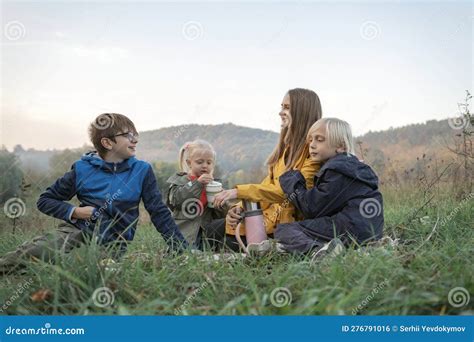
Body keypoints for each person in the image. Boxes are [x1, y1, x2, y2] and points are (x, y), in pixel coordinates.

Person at [0, 113, 188, 274]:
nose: (135, 139)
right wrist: (75, 212)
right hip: (77, 230)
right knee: (39, 251)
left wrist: (181, 249)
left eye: (136, 134)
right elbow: (45, 200)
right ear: (107, 142)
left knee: (91, 269)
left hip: (113, 243)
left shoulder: (142, 170)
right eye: (128, 135)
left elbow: (158, 212)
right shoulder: (82, 169)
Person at [209, 88, 323, 251]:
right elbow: (266, 187)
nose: (280, 112)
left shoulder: (313, 155)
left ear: (302, 112)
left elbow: (288, 193)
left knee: (224, 241)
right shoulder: (285, 150)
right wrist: (240, 207)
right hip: (266, 218)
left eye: (287, 107)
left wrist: (237, 192)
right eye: (281, 106)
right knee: (211, 229)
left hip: (284, 228)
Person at [275, 118, 384, 259]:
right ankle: (333, 246)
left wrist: (292, 181)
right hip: (370, 230)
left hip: (351, 229)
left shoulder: (337, 171)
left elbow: (312, 208)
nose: (312, 145)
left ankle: (318, 251)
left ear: (341, 147)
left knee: (286, 230)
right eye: (310, 140)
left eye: (319, 140)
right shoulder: (351, 168)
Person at [166, 139, 229, 249]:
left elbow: (222, 214)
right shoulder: (180, 181)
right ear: (189, 163)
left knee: (228, 221)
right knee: (188, 252)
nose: (205, 166)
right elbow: (175, 200)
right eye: (200, 162)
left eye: (209, 162)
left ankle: (224, 248)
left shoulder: (214, 184)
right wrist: (197, 183)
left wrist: (222, 199)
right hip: (185, 232)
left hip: (206, 231)